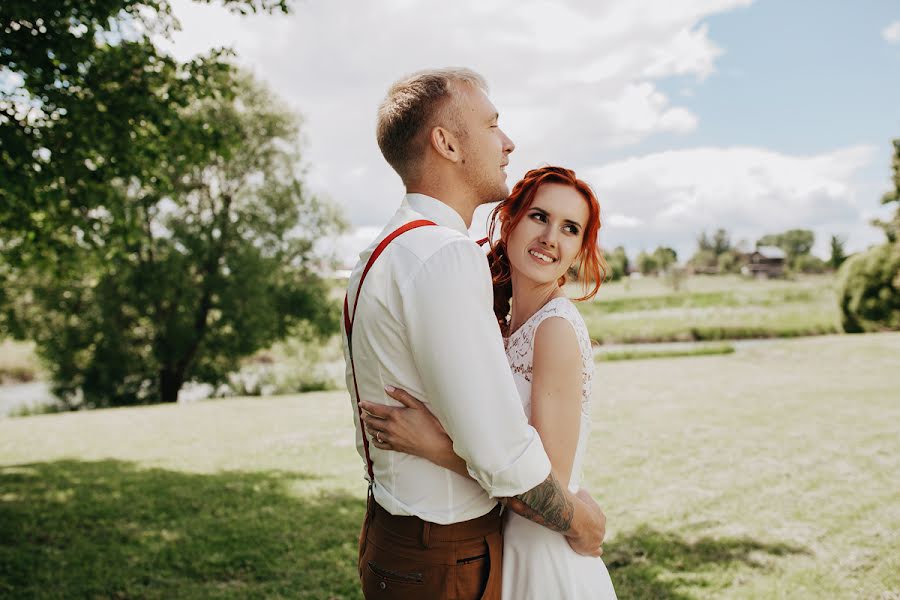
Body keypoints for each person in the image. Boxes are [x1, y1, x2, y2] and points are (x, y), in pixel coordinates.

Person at [342, 68, 606, 600]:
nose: (507, 142)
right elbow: (503, 455)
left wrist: (439, 445)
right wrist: (580, 521)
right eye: (492, 125)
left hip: (406, 536)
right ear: (446, 143)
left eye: (570, 228)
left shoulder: (383, 249)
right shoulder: (444, 254)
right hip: (443, 554)